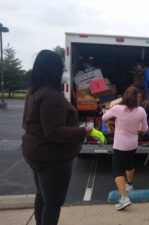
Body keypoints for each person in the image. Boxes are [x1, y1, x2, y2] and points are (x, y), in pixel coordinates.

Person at [22, 50, 105, 225]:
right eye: (62, 68)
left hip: (35, 154)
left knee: (43, 196)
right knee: (53, 203)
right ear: (53, 70)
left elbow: (27, 124)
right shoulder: (51, 97)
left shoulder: (34, 93)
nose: (64, 73)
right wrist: (85, 131)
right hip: (52, 159)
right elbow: (54, 132)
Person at [102, 86, 148, 210]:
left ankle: (124, 198)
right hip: (133, 144)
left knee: (118, 171)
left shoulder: (117, 109)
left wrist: (113, 109)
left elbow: (103, 118)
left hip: (120, 145)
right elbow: (145, 129)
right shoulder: (141, 111)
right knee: (129, 165)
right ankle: (130, 185)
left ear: (125, 97)